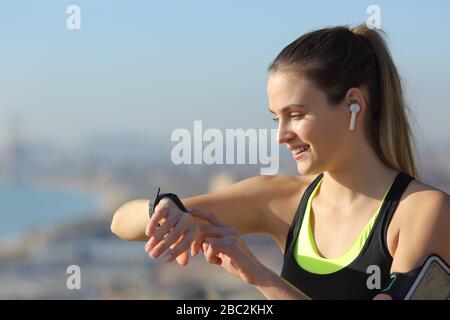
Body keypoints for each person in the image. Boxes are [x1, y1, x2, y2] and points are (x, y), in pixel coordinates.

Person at [110, 24, 450, 300]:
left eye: (296, 115)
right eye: (276, 119)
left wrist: (258, 275)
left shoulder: (424, 212)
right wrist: (167, 209)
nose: (281, 135)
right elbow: (122, 223)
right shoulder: (283, 198)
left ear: (354, 105)